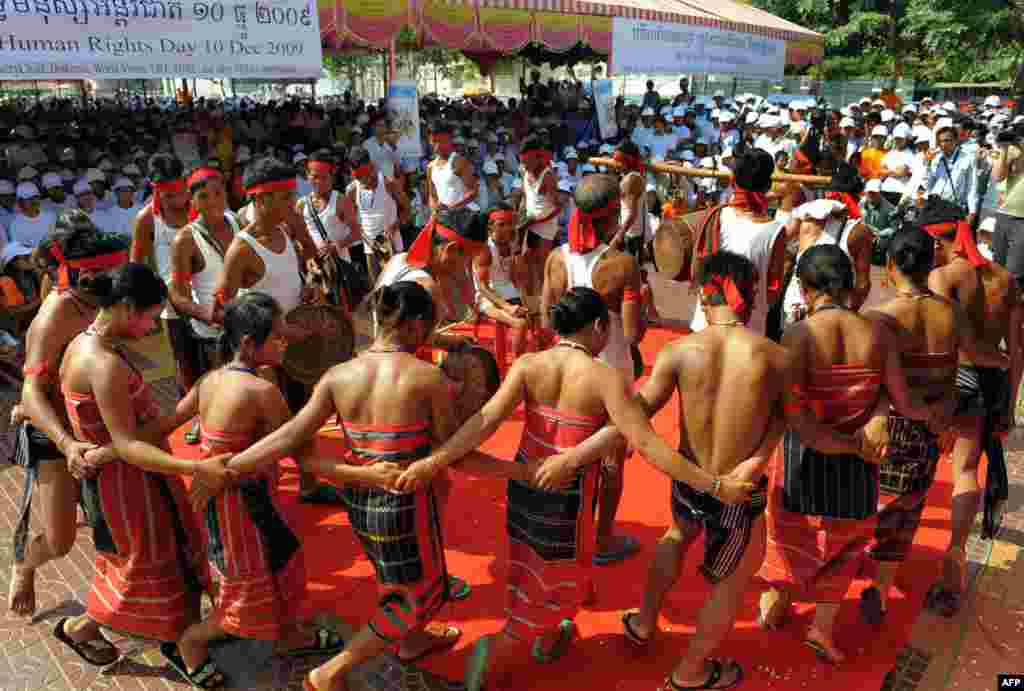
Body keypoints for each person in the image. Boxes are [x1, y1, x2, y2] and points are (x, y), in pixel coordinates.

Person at [400, 286, 756, 691]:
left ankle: (550, 636)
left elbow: (483, 421)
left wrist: (436, 458)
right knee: (557, 577)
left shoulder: (530, 365)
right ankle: (502, 644)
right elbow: (646, 443)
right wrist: (712, 484)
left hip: (524, 490)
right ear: (599, 327)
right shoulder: (604, 378)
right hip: (568, 499)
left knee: (530, 566)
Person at [213, 283, 474, 691]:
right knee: (412, 596)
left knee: (394, 579)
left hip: (360, 501)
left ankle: (412, 642)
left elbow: (291, 440)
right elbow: (448, 447)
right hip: (406, 504)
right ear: (417, 325)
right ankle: (329, 673)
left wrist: (229, 467)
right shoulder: (427, 378)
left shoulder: (339, 375)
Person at [56, 263, 230, 682]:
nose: (153, 328)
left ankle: (183, 640)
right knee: (141, 569)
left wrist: (182, 411)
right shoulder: (102, 364)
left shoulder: (86, 344)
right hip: (130, 483)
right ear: (127, 307)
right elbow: (130, 445)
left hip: (131, 476)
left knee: (167, 559)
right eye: (151, 317)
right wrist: (194, 465)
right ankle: (80, 628)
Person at [757, 245, 929, 664]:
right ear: (851, 286)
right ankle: (822, 628)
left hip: (804, 456)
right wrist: (886, 419)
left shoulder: (797, 336)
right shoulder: (874, 333)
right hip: (860, 459)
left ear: (805, 288)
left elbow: (791, 414)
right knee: (846, 544)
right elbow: (899, 397)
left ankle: (778, 604)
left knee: (788, 533)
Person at [176, 293, 343, 677]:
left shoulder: (210, 379)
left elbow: (169, 423)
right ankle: (193, 641)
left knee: (284, 562)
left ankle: (288, 634)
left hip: (242, 501)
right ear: (250, 343)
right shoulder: (263, 393)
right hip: (242, 506)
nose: (285, 342)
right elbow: (301, 452)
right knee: (246, 592)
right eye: (278, 337)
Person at [860, 225, 1008, 622]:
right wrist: (1005, 363)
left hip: (894, 423)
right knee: (907, 510)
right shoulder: (951, 311)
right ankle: (882, 588)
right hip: (934, 424)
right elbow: (976, 352)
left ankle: (866, 574)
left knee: (873, 503)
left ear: (890, 267)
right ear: (933, 263)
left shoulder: (882, 318)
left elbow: (877, 380)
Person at [8, 212, 128, 618]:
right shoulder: (53, 317)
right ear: (81, 277)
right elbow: (31, 392)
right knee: (59, 542)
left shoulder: (103, 299)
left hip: (98, 429)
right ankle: (25, 565)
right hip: (57, 436)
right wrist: (67, 443)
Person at [922, 197, 1022, 615]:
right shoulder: (1005, 279)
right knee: (966, 470)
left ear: (934, 239)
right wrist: (1009, 402)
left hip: (953, 378)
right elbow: (1017, 351)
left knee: (919, 466)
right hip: (992, 381)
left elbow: (939, 344)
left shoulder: (942, 277)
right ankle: (957, 552)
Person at [540, 174, 644, 565]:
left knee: (567, 452)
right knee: (611, 461)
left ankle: (563, 531)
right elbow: (633, 334)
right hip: (610, 373)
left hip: (565, 371)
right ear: (613, 215)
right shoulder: (622, 265)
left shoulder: (555, 259)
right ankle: (602, 538)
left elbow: (547, 318)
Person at [215, 156, 330, 500]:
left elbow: (301, 271)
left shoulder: (285, 229)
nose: (290, 203)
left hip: (294, 343)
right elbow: (224, 310)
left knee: (304, 419)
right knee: (272, 427)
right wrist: (274, 331)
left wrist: (308, 284)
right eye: (283, 197)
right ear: (260, 199)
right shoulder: (241, 249)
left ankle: (308, 485)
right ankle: (255, 490)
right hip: (266, 353)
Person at [167, 164, 240, 443]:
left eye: (219, 194)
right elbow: (177, 294)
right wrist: (204, 312)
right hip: (212, 329)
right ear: (192, 200)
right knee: (212, 384)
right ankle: (202, 418)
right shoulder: (185, 239)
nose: (213, 202)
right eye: (204, 197)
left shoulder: (236, 222)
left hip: (243, 320)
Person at [690, 149, 787, 339]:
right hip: (749, 334)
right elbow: (773, 293)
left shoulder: (715, 216)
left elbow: (696, 271)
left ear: (734, 180)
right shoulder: (776, 231)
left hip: (705, 326)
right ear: (767, 186)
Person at [130, 154, 197, 399]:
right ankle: (193, 415)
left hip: (208, 292)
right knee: (184, 363)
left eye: (181, 193)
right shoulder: (146, 219)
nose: (178, 201)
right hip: (172, 304)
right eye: (169, 196)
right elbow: (136, 266)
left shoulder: (199, 205)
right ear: (156, 191)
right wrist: (142, 308)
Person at [472, 202, 531, 358]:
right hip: (485, 297)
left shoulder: (512, 244)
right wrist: (507, 307)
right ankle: (518, 366)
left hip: (506, 290)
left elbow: (515, 277)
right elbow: (482, 287)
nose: (507, 228)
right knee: (520, 324)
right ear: (490, 227)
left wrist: (524, 299)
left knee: (535, 315)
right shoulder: (485, 249)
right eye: (501, 224)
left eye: (510, 224)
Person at [346, 148, 409, 284]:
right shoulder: (352, 190)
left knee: (398, 286)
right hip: (370, 249)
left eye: (365, 174)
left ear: (371, 166)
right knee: (377, 290)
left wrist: (394, 226)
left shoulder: (388, 183)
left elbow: (407, 210)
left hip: (393, 246)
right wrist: (363, 234)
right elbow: (352, 220)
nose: (362, 179)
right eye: (357, 176)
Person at [518, 135, 562, 295]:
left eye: (527, 162)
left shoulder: (548, 176)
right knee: (525, 259)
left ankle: (549, 300)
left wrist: (538, 220)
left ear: (537, 157)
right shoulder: (524, 171)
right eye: (522, 162)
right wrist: (520, 219)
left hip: (546, 226)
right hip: (530, 223)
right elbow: (525, 198)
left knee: (543, 265)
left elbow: (558, 208)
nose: (524, 165)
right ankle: (533, 299)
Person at [927, 121, 981, 226]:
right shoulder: (936, 159)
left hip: (954, 208)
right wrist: (927, 164)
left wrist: (972, 212)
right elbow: (929, 184)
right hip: (934, 207)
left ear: (956, 140)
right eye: (940, 141)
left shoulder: (967, 159)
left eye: (947, 140)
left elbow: (972, 187)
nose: (943, 144)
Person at [427, 123, 479, 214]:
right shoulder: (430, 167)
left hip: (463, 217)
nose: (437, 145)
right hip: (443, 219)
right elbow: (432, 195)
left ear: (449, 140)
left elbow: (473, 191)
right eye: (434, 141)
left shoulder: (460, 162)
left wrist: (453, 208)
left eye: (441, 141)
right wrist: (434, 208)